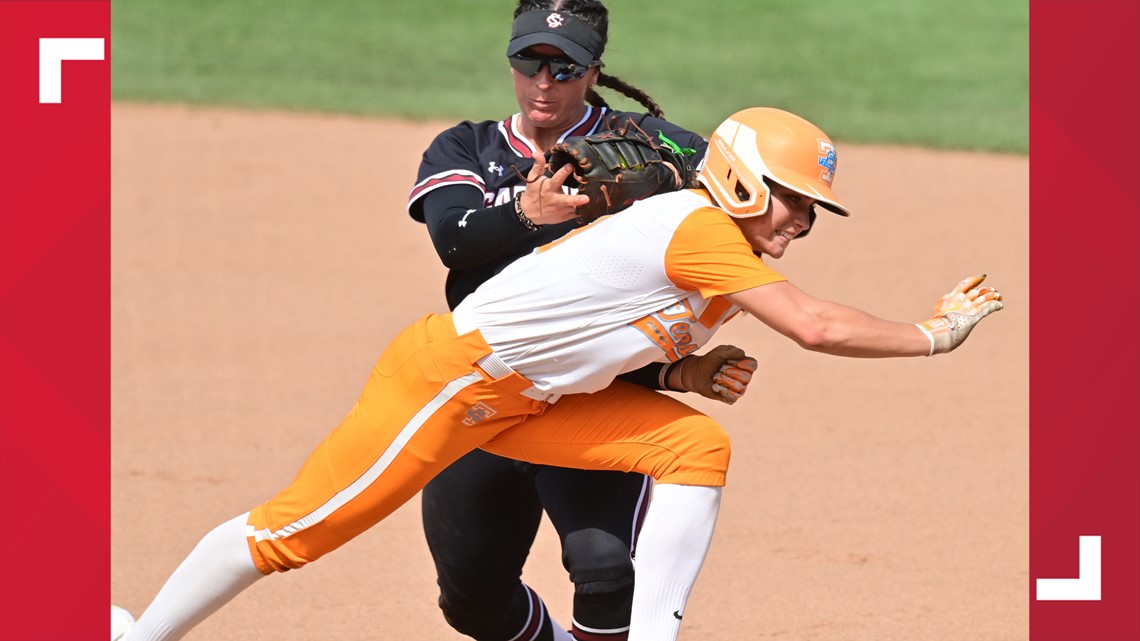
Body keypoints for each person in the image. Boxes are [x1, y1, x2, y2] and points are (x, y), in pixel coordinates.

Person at [110, 105, 1004, 641]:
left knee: (694, 445)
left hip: (526, 400)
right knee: (296, 533)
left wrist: (684, 368)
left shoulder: (719, 252)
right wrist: (934, 334)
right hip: (452, 380)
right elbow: (814, 326)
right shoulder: (700, 231)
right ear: (738, 181)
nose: (803, 221)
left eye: (814, 210)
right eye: (794, 200)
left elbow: (607, 320)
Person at [405, 2, 730, 640]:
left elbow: (740, 189)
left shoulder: (643, 141)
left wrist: (681, 180)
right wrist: (530, 214)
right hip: (485, 387)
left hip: (596, 395)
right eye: (529, 63)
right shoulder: (467, 147)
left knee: (606, 571)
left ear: (594, 70)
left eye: (564, 67)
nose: (543, 83)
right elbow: (454, 241)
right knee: (470, 599)